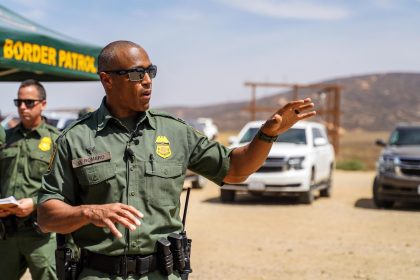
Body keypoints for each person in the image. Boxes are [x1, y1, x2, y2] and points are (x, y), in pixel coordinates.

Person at [37, 40, 316, 280]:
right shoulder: (74, 138)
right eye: (136, 74)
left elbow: (235, 171)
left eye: (151, 71)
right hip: (97, 273)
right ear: (107, 79)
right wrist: (88, 212)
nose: (147, 81)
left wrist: (266, 135)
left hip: (162, 272)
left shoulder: (175, 132)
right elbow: (47, 215)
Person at [0, 79, 59, 280]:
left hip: (39, 232)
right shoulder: (5, 138)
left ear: (43, 104)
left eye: (29, 102)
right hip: (6, 233)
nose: (23, 107)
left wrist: (34, 203)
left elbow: (64, 187)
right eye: (19, 102)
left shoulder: (55, 139)